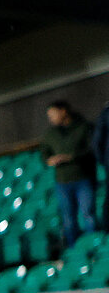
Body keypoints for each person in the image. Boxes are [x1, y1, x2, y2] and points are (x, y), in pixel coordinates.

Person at [38, 100, 99, 245]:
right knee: (68, 219)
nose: (51, 118)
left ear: (63, 111)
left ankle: (95, 246)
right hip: (63, 182)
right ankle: (73, 252)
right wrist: (50, 160)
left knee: (88, 215)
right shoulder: (50, 134)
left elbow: (92, 149)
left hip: (83, 178)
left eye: (53, 114)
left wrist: (72, 157)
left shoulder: (83, 127)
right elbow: (44, 154)